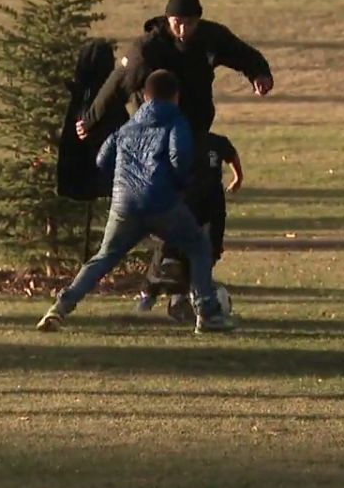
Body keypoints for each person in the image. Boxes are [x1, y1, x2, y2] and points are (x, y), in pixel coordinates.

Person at [36, 71, 234, 335]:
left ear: (145, 96)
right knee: (199, 246)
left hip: (125, 204)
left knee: (104, 257)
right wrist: (179, 184)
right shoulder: (176, 122)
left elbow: (102, 160)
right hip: (163, 203)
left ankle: (59, 308)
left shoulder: (128, 127)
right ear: (176, 96)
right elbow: (179, 158)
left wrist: (121, 182)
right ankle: (207, 313)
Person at [76, 0, 274, 143]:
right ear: (167, 18)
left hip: (196, 121)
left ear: (198, 20)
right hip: (153, 127)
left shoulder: (211, 37)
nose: (183, 29)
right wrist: (90, 121)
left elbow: (242, 54)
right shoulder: (147, 49)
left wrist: (259, 73)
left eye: (190, 23)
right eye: (177, 23)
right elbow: (117, 85)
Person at [136, 131, 242, 319]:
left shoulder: (215, 142)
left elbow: (231, 155)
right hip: (185, 205)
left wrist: (238, 178)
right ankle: (151, 294)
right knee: (171, 252)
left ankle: (182, 298)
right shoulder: (176, 141)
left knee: (202, 254)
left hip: (210, 208)